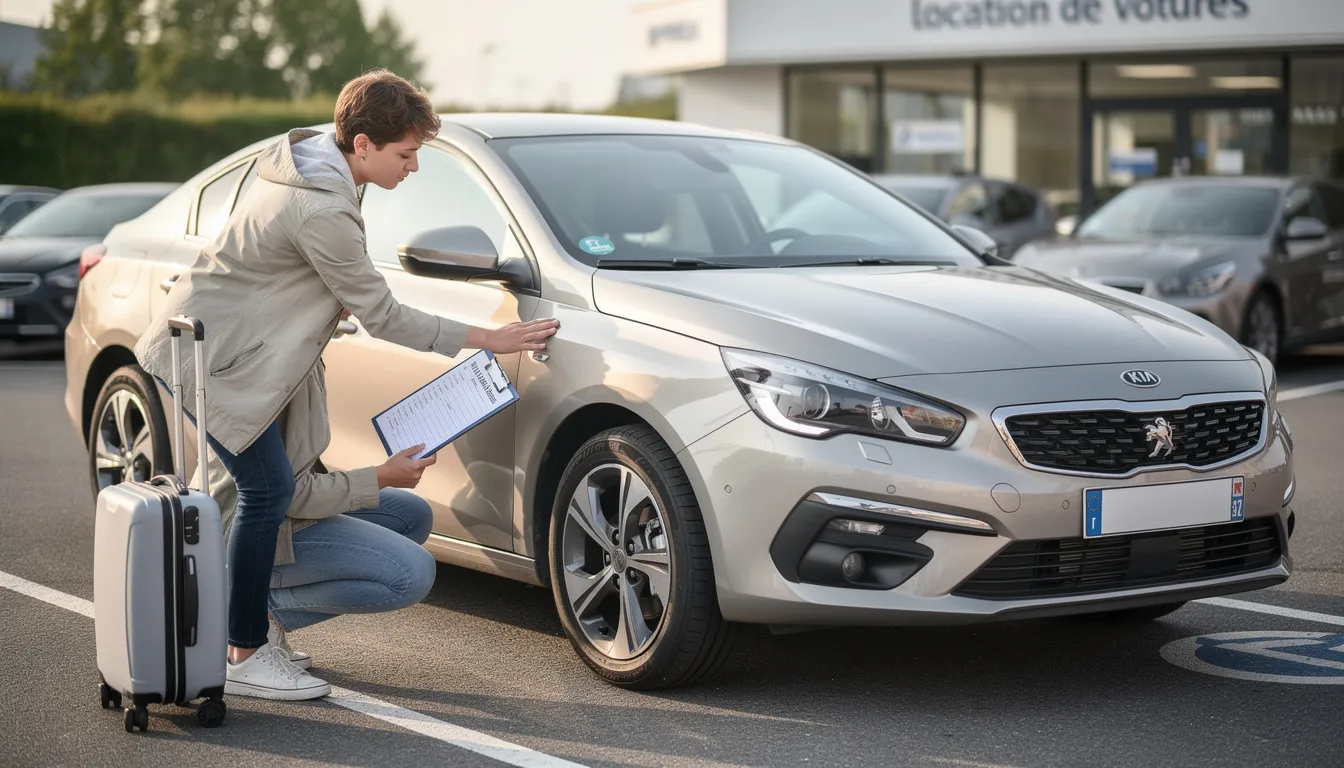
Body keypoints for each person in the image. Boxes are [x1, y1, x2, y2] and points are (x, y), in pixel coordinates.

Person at [134, 68, 558, 700]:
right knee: (269, 488)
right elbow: (384, 313)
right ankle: (244, 649)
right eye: (406, 154)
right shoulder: (322, 202)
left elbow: (288, 276)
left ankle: (254, 622)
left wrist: (326, 304)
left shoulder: (315, 164)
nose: (413, 168)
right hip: (221, 365)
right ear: (361, 144)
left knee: (382, 509)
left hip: (228, 350)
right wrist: (489, 339)